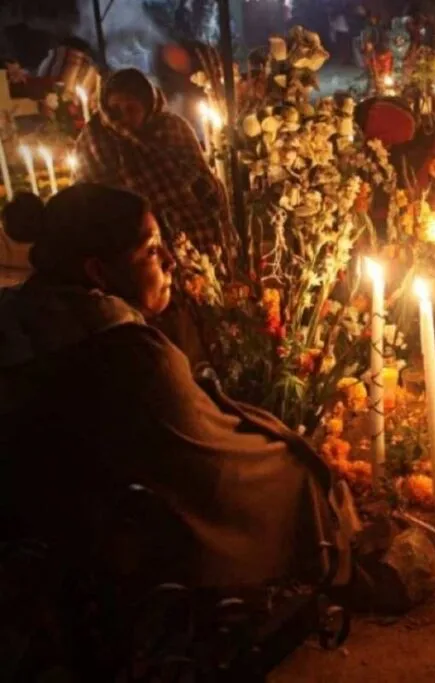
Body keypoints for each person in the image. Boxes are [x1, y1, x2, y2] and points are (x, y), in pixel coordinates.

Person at [0, 185, 356, 589]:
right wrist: (293, 452)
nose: (171, 260)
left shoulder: (21, 320)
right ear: (98, 271)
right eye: (152, 250)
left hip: (44, 538)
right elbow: (216, 463)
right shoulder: (131, 357)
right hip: (122, 553)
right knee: (295, 473)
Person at [74, 68, 235, 261]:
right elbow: (93, 196)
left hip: (189, 222)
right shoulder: (95, 140)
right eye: (115, 109)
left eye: (131, 109)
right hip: (137, 235)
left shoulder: (172, 127)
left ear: (147, 106)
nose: (123, 117)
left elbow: (200, 175)